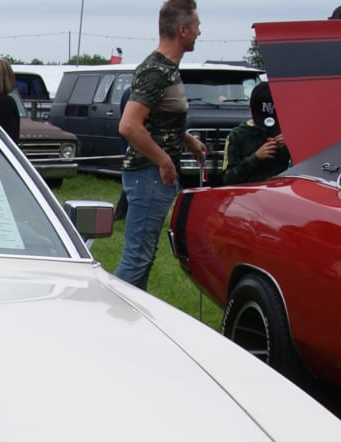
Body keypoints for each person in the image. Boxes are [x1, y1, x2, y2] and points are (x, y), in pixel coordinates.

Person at [113, 0, 208, 291]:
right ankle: (108, 318)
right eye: (196, 27)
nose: (200, 32)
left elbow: (157, 120)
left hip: (152, 175)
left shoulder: (168, 69)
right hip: (148, 175)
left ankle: (131, 320)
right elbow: (129, 125)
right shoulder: (156, 71)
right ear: (183, 30)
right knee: (137, 257)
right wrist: (164, 160)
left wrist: (186, 139)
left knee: (144, 256)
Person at [221, 81, 290, 184]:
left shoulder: (287, 132)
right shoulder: (238, 135)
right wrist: (255, 157)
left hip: (280, 193)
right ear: (249, 107)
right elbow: (228, 180)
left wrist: (290, 146)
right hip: (248, 195)